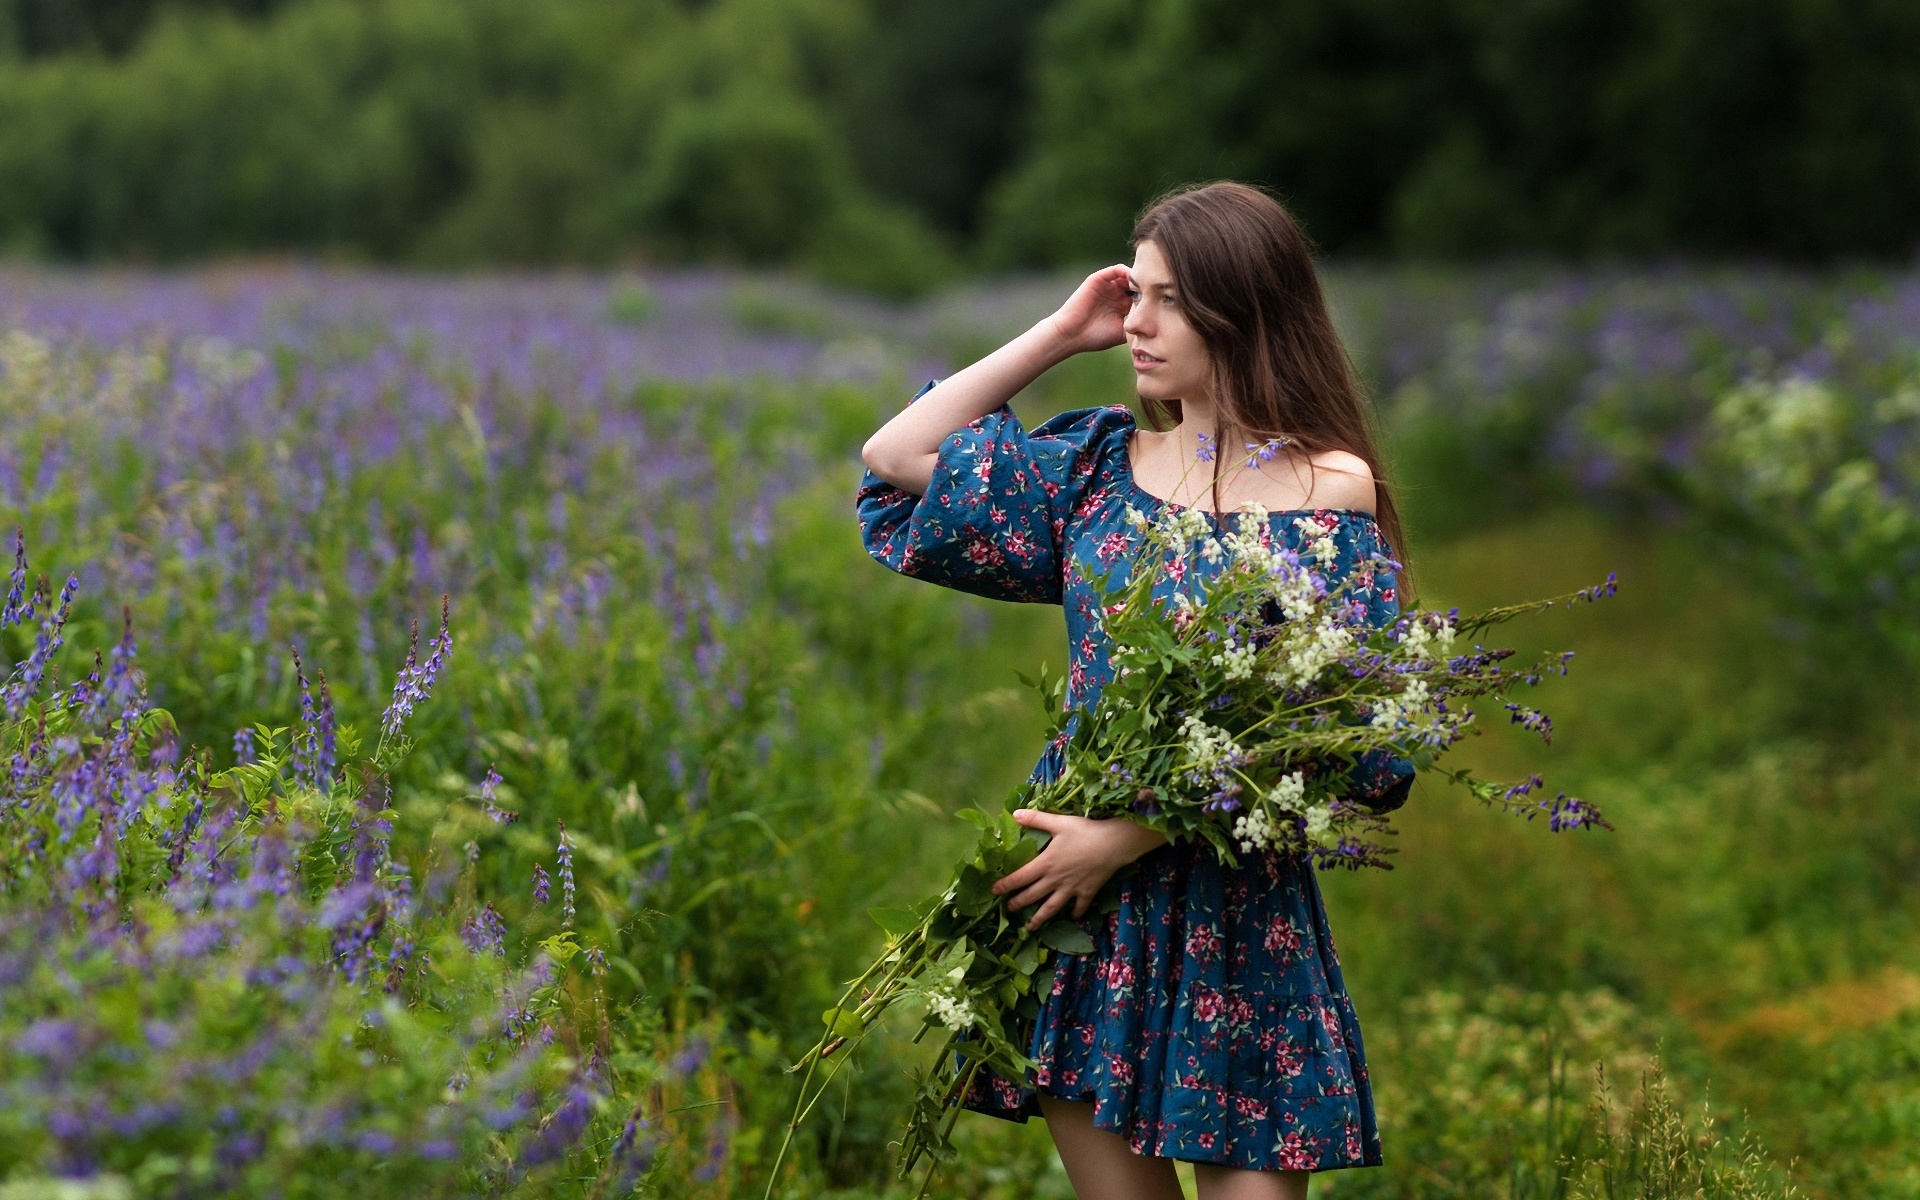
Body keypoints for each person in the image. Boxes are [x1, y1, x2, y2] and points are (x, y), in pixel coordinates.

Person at [856, 181, 1413, 1200]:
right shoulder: (1098, 472)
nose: (1137, 325)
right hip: (1090, 915)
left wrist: (1138, 831)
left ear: (1243, 311)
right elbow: (893, 460)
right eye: (1133, 294)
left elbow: (1331, 728)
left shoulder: (1328, 487)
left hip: (1239, 911)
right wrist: (1059, 333)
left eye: (1167, 301)